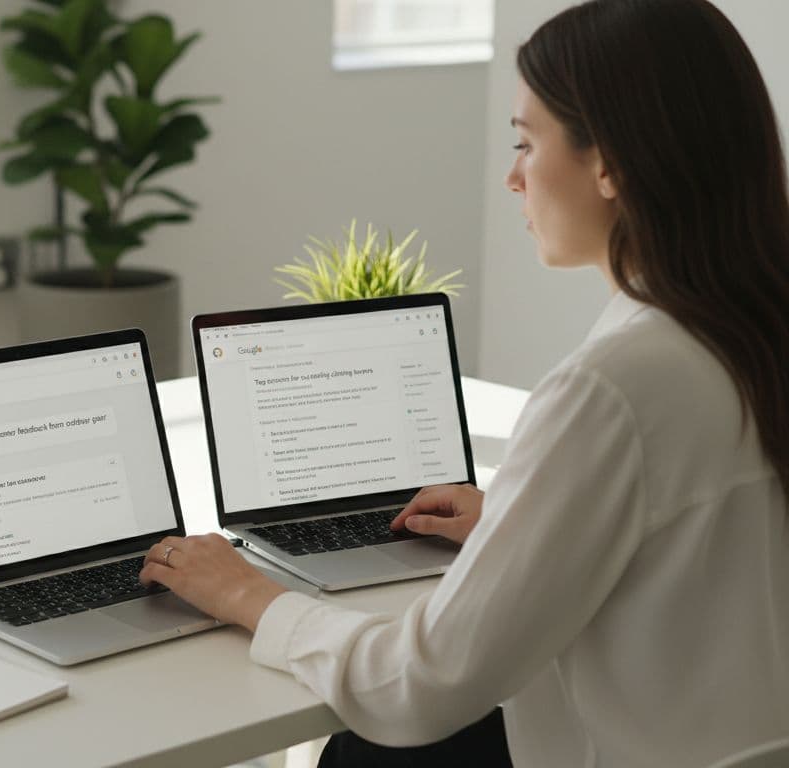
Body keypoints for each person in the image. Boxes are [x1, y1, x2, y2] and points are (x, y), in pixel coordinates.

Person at [139, 1, 789, 765]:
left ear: (609, 162)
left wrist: (248, 595)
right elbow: (710, 558)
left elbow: (419, 686)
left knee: (362, 750)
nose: (513, 177)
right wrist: (526, 523)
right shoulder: (752, 329)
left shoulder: (611, 388)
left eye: (525, 142)